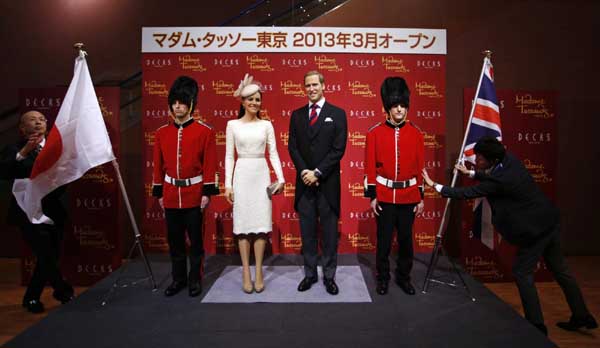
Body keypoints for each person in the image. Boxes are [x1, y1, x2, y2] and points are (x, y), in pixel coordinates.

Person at [422, 136, 597, 335]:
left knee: (522, 272)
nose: (476, 159)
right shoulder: (509, 160)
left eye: (479, 157)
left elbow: (467, 193)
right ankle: (582, 316)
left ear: (493, 160)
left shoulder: (500, 179)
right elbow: (492, 174)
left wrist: (434, 185)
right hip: (549, 220)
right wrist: (470, 171)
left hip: (534, 231)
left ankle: (536, 327)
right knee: (561, 270)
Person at [0, 110, 73, 313]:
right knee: (45, 253)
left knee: (49, 257)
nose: (39, 122)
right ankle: (62, 291)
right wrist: (24, 152)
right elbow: (4, 172)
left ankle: (31, 298)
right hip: (27, 212)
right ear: (23, 128)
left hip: (54, 210)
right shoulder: (13, 149)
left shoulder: (54, 148)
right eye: (33, 119)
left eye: (42, 119)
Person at [152, 76, 219, 297]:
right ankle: (178, 279)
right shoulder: (162, 133)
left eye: (182, 102)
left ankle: (194, 280)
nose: (178, 106)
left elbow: (210, 165)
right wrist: (159, 193)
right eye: (175, 102)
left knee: (196, 243)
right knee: (176, 243)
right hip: (171, 195)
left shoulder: (204, 131)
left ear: (191, 104)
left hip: (194, 194)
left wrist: (207, 193)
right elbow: (158, 166)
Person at [224, 74, 285, 294]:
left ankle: (258, 270)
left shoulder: (267, 125)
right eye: (250, 99)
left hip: (261, 175)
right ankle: (246, 271)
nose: (254, 103)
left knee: (260, 227)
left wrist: (281, 178)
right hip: (241, 175)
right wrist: (228, 185)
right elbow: (229, 156)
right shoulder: (232, 125)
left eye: (257, 99)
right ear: (242, 101)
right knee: (242, 227)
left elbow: (274, 153)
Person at [288, 70, 347, 295]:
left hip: (328, 184)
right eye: (307, 85)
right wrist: (305, 171)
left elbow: (338, 149)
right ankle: (310, 274)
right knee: (308, 232)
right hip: (304, 185)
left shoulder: (338, 114)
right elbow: (292, 147)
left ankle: (329, 276)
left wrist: (318, 172)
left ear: (323, 85)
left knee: (330, 234)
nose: (311, 89)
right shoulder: (297, 115)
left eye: (315, 84)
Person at [364, 77, 424, 296]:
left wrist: (420, 197)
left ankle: (404, 277)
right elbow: (369, 168)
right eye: (395, 105)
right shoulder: (374, 133)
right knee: (384, 241)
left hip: (409, 196)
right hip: (385, 195)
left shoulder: (417, 134)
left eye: (403, 105)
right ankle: (383, 278)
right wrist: (372, 196)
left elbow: (420, 168)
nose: (399, 109)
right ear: (387, 108)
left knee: (407, 242)